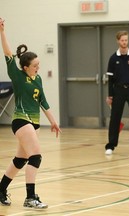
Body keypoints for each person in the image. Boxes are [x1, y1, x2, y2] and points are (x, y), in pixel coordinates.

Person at [0, 18, 61, 208]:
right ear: (26, 67)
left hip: (33, 123)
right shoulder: (18, 76)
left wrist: (53, 121)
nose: (38, 67)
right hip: (21, 120)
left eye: (38, 64)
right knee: (36, 156)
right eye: (35, 65)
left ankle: (0, 189)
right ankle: (30, 197)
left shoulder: (38, 79)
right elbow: (8, 53)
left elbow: (43, 101)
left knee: (21, 159)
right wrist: (2, 32)